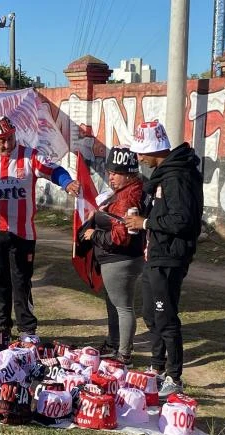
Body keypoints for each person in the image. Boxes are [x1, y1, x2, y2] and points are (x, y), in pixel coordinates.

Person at [0, 115, 79, 340]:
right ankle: (1, 328)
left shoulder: (31, 156)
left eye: (10, 138)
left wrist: (67, 183)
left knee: (21, 280)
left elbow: (54, 170)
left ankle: (27, 329)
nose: (7, 144)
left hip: (23, 233)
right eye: (1, 141)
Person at [124, 120, 203, 397]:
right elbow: (163, 211)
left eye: (140, 152)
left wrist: (144, 223)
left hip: (170, 255)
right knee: (151, 312)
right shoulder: (166, 174)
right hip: (156, 253)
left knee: (165, 315)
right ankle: (157, 368)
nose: (138, 158)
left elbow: (182, 220)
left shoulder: (177, 177)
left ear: (154, 149)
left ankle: (174, 376)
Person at [79, 147, 147, 365]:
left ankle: (124, 355)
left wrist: (94, 233)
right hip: (119, 259)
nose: (110, 176)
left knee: (124, 307)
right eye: (109, 172)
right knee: (116, 304)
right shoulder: (130, 191)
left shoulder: (128, 197)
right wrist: (101, 214)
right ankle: (115, 344)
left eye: (115, 173)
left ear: (127, 173)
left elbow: (121, 237)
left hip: (120, 259)